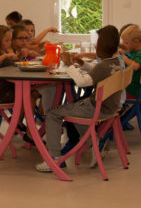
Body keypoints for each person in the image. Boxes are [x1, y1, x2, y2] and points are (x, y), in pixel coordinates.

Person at [37, 25, 124, 172]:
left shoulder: (104, 66)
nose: (96, 45)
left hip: (95, 108)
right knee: (75, 108)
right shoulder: (115, 63)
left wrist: (70, 65)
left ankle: (53, 159)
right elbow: (97, 72)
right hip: (109, 107)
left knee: (52, 113)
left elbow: (83, 82)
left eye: (98, 42)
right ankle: (94, 142)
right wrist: (82, 64)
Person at [119, 25, 141, 98]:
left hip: (133, 91)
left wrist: (122, 57)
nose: (124, 44)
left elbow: (136, 66)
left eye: (126, 43)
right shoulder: (140, 52)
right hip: (138, 89)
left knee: (109, 94)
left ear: (136, 42)